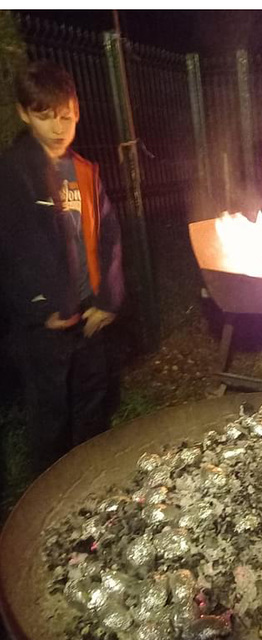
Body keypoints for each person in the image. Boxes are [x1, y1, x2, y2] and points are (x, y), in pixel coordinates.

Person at [0, 60, 124, 476]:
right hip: (44, 326)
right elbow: (11, 250)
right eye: (44, 117)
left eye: (66, 116)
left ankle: (91, 482)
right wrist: (39, 309)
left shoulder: (86, 172)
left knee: (93, 400)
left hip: (89, 317)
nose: (58, 128)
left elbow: (109, 237)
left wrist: (108, 299)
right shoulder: (12, 173)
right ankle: (49, 495)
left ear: (77, 110)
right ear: (23, 112)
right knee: (50, 414)